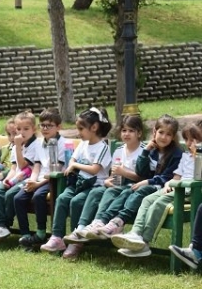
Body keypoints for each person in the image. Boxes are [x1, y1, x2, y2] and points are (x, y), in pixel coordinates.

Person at [82, 114, 182, 241]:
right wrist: (146, 151)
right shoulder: (152, 150)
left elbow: (166, 177)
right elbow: (142, 171)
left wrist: (146, 181)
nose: (163, 137)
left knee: (138, 191)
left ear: (173, 137)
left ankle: (118, 222)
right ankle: (103, 221)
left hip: (162, 188)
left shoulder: (176, 154)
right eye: (161, 132)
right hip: (148, 185)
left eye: (168, 134)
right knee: (127, 191)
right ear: (154, 132)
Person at [60, 114, 146, 258]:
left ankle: (99, 223)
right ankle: (82, 230)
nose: (127, 134)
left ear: (139, 133)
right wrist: (108, 180)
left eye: (131, 131)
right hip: (117, 185)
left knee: (110, 193)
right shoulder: (119, 150)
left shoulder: (143, 151)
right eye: (124, 130)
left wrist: (125, 172)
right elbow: (114, 175)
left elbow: (145, 178)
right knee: (96, 192)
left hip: (134, 187)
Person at [114, 123, 202, 257]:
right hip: (175, 188)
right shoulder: (185, 156)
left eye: (196, 140)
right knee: (147, 199)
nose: (191, 143)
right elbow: (177, 176)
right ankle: (136, 233)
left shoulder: (200, 157)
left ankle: (145, 241)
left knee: (159, 203)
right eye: (188, 139)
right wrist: (169, 184)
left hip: (189, 191)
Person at [40, 107, 112, 253]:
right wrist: (72, 162)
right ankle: (57, 237)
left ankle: (76, 241)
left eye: (81, 129)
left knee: (76, 201)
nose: (78, 133)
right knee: (62, 199)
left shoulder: (102, 147)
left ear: (94, 127)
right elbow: (73, 156)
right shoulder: (83, 144)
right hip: (78, 182)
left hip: (94, 186)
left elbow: (94, 169)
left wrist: (74, 165)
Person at [13, 108, 67, 250]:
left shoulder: (62, 143)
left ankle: (41, 233)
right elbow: (36, 165)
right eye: (43, 125)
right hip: (38, 179)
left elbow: (57, 169)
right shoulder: (40, 142)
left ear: (58, 127)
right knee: (18, 198)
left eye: (49, 125)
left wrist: (37, 184)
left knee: (38, 196)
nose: (45, 128)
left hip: (54, 179)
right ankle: (25, 236)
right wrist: (32, 180)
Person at [0, 110, 40, 243]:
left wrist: (17, 146)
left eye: (26, 129)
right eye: (18, 129)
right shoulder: (17, 145)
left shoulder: (35, 145)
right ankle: (0, 225)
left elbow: (23, 166)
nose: (21, 132)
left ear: (34, 129)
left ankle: (6, 223)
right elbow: (14, 168)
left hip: (28, 179)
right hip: (16, 178)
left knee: (10, 194)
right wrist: (7, 179)